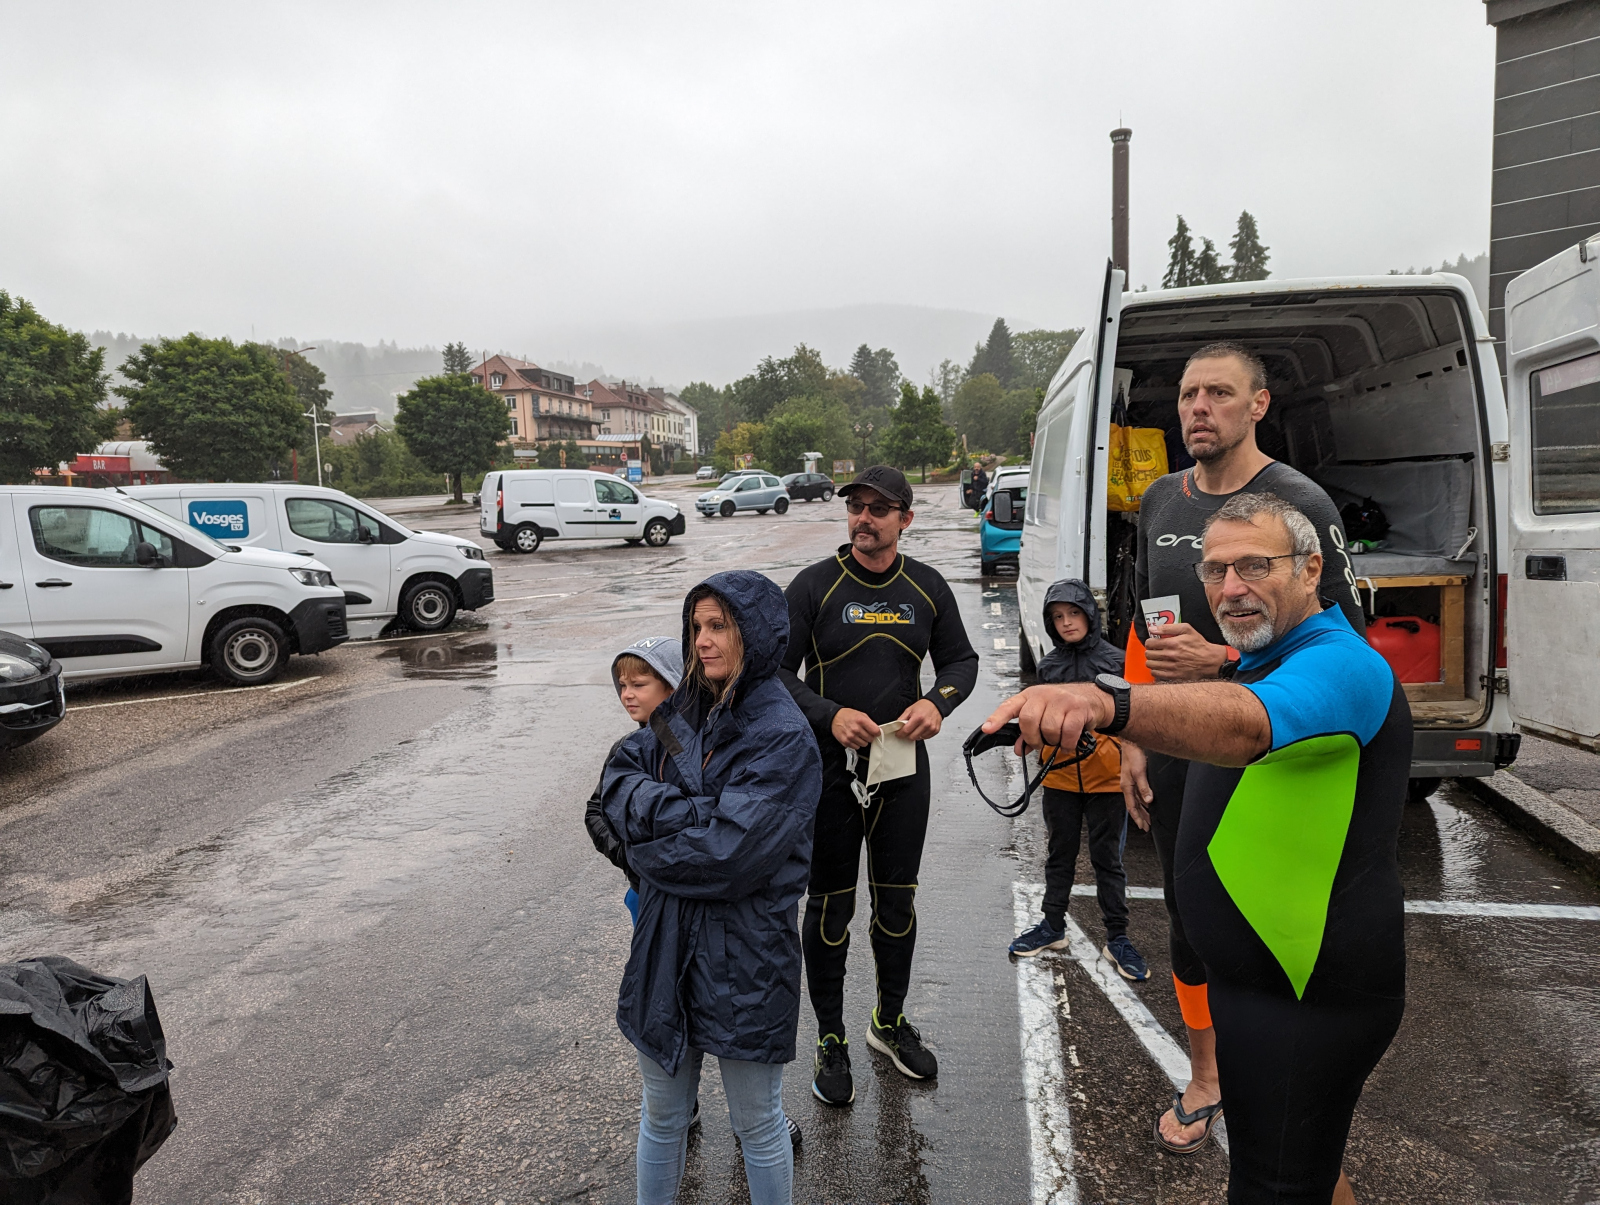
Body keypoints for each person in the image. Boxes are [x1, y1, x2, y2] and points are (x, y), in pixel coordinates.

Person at [985, 493, 1408, 1205]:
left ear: (1312, 569)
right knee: (1310, 1166)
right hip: (1256, 985)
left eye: (1254, 565)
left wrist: (1108, 704)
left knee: (1272, 1184)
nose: (1230, 587)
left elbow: (1249, 726)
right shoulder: (1262, 655)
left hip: (1307, 997)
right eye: (1214, 570)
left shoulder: (1343, 664)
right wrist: (1137, 737)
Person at [1120, 341, 1365, 1153]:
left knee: (1266, 917)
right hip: (1183, 750)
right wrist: (1132, 734)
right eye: (1188, 393)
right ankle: (1207, 1074)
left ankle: (1286, 1076)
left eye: (1218, 393)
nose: (1197, 407)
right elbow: (1141, 621)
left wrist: (1225, 661)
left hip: (1273, 752)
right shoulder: (1160, 500)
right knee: (1190, 917)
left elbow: (1344, 649)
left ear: (1258, 405)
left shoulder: (1298, 504)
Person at [602, 572, 822, 1205]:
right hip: (665, 943)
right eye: (696, 626)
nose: (701, 641)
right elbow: (616, 782)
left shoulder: (780, 733)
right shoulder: (679, 716)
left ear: (754, 632)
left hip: (747, 956)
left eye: (718, 626)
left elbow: (729, 855)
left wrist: (646, 847)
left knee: (757, 1122)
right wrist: (692, 815)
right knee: (664, 1116)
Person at [779, 465, 980, 1106]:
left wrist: (939, 703)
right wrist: (828, 714)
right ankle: (831, 1036)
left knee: (896, 907)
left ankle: (887, 1023)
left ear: (905, 519)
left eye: (878, 509)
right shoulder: (814, 586)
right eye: (856, 507)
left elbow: (962, 661)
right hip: (830, 771)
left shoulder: (925, 586)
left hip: (900, 770)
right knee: (830, 908)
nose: (864, 518)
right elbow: (777, 674)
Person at [1008, 580, 1147, 982]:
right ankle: (1052, 927)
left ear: (1090, 614)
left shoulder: (1118, 661)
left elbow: (1134, 719)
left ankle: (1118, 937)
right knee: (1059, 854)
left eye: (1073, 613)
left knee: (1108, 860)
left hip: (1107, 782)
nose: (1066, 623)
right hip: (1060, 779)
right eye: (1057, 617)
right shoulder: (1048, 665)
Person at [584, 636, 683, 924]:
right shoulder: (625, 750)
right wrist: (629, 856)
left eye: (638, 685)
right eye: (623, 685)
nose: (627, 694)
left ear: (674, 687)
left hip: (690, 896)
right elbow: (595, 811)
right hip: (642, 892)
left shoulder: (699, 749)